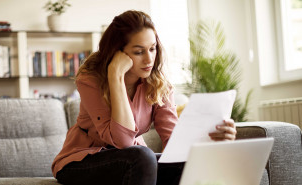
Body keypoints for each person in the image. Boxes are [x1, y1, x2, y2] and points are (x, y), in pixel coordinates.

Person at [51, 10, 237, 185]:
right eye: (139, 51)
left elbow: (174, 143)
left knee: (180, 164)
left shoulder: (158, 85)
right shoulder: (90, 80)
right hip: (80, 162)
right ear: (117, 53)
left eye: (152, 49)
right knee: (143, 156)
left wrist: (212, 140)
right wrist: (115, 75)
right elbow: (123, 142)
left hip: (136, 160)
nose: (149, 59)